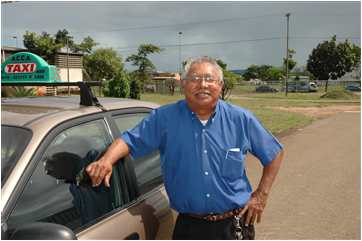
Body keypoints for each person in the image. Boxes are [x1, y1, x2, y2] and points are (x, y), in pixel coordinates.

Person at [86, 56, 284, 240]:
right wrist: (106, 160)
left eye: (210, 79)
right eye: (195, 78)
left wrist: (261, 196)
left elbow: (274, 153)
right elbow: (129, 140)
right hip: (189, 227)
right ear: (184, 84)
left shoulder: (241, 119)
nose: (203, 84)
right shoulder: (164, 119)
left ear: (220, 85)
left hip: (233, 225)